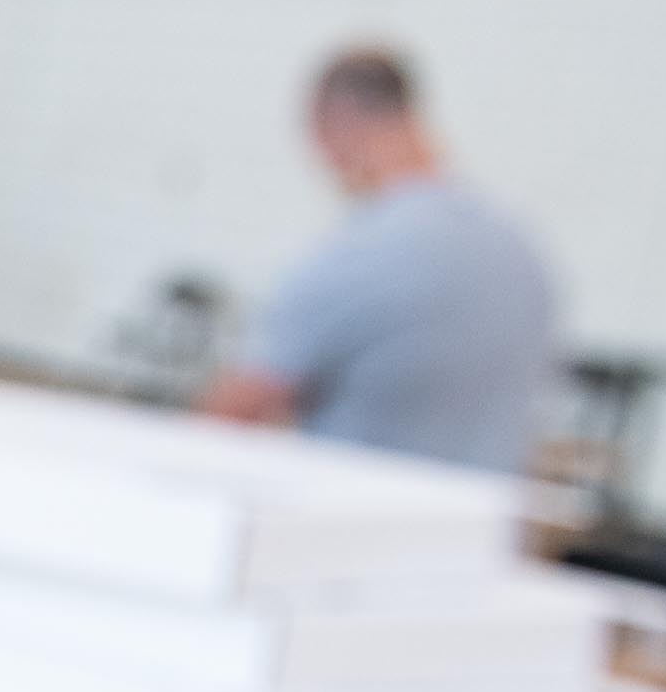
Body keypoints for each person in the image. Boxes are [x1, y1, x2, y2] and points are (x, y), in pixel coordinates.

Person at [202, 46, 561, 474]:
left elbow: (229, 418)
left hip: (356, 525)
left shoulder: (361, 253)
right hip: (474, 533)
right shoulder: (523, 253)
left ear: (333, 129)